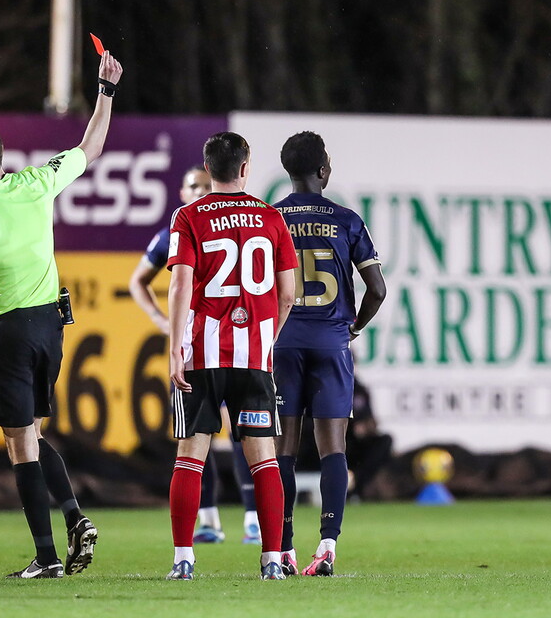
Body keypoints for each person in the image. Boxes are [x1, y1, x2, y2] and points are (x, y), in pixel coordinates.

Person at [0, 50, 123, 579]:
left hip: (7, 331)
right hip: (50, 326)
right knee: (33, 434)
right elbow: (92, 145)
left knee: (19, 443)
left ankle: (46, 557)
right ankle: (74, 520)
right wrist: (106, 91)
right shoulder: (38, 181)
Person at [165, 131, 297, 580]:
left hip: (202, 354)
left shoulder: (188, 215)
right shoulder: (270, 217)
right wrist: (266, 337)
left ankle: (184, 559)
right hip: (254, 358)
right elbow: (288, 293)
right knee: (264, 459)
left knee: (190, 457)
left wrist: (174, 349)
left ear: (208, 169)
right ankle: (272, 562)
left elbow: (181, 284)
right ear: (245, 168)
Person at [272, 131, 387, 576]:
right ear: (324, 170)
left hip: (282, 343)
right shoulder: (347, 220)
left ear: (288, 172)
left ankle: (282, 549)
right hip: (331, 342)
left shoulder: (271, 218)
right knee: (332, 447)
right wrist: (352, 327)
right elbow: (377, 289)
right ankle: (327, 544)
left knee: (282, 448)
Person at [128, 165, 261, 545]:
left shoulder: (230, 226)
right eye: (194, 186)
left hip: (230, 342)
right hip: (198, 345)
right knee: (198, 436)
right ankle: (209, 519)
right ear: (182, 192)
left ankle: (252, 519)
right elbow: (138, 281)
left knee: (241, 434)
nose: (202, 191)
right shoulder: (178, 230)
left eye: (207, 185)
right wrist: (160, 319)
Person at [346, 377, 393, 500]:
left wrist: (366, 426)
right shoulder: (328, 386)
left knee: (385, 441)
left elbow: (371, 421)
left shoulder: (360, 390)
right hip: (337, 439)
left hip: (358, 442)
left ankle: (358, 484)